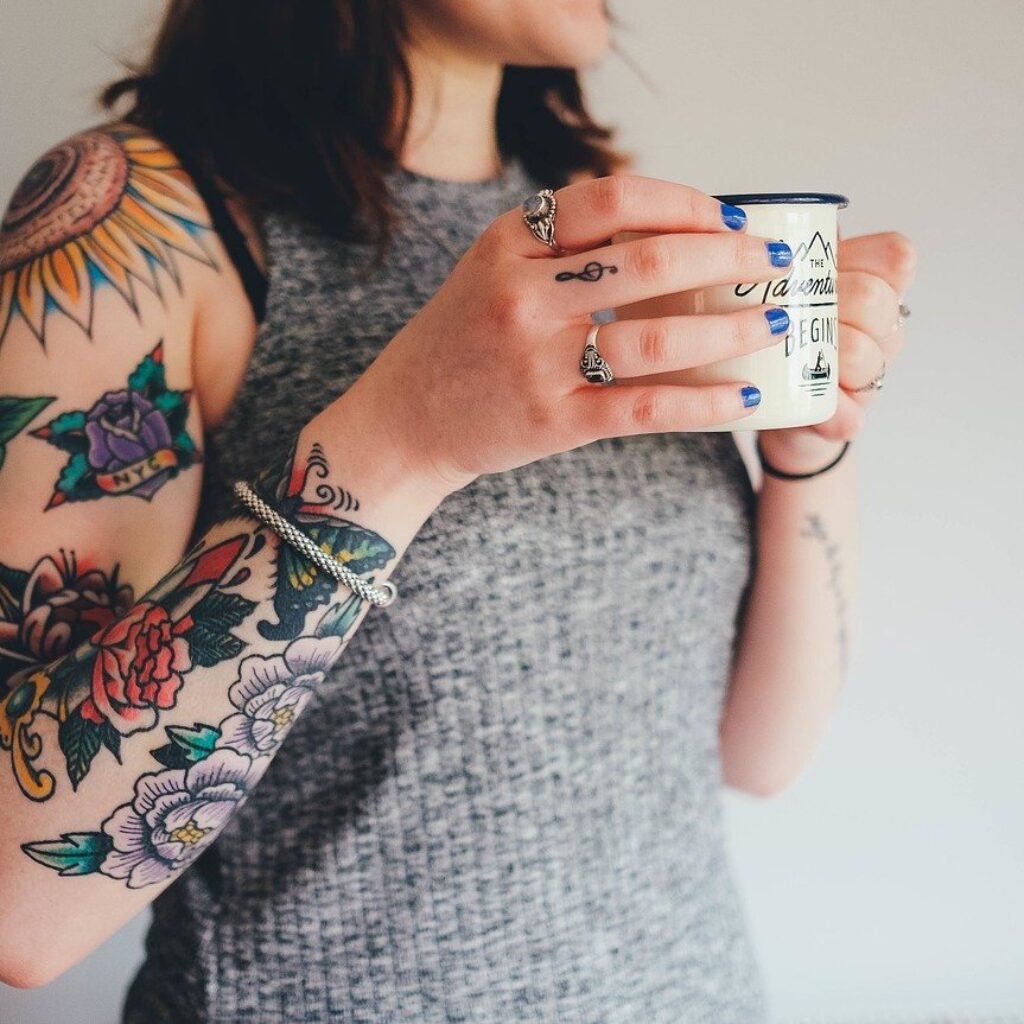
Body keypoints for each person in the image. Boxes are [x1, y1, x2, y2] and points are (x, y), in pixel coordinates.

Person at [0, 1, 917, 1021]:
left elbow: (758, 755)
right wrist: (403, 438)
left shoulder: (597, 234)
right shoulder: (132, 223)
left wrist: (809, 449)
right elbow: (20, 909)